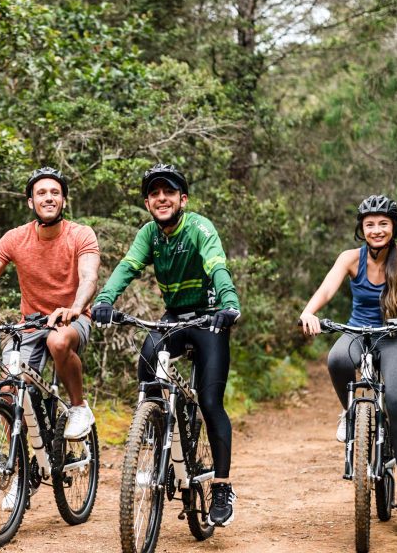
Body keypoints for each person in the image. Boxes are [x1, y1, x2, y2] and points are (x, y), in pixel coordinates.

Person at [91, 163, 241, 527]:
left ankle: (221, 486)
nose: (162, 199)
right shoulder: (149, 234)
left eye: (169, 193)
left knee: (208, 401)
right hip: (174, 317)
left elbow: (216, 264)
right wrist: (105, 300)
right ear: (147, 203)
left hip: (208, 319)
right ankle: (158, 437)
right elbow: (127, 267)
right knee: (147, 369)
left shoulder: (199, 228)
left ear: (182, 199)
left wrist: (229, 302)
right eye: (155, 194)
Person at [299, 194, 397, 511]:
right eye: (370, 224)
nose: (377, 230)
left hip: (394, 334)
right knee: (335, 359)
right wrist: (309, 312)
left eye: (383, 224)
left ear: (393, 228)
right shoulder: (350, 258)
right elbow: (327, 289)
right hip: (357, 332)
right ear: (362, 229)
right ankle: (349, 414)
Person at [0, 166, 100, 441]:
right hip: (31, 325)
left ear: (63, 200)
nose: (48, 197)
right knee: (9, 390)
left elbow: (89, 277)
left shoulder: (80, 234)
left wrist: (75, 307)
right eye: (41, 192)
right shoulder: (15, 238)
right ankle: (17, 469)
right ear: (31, 202)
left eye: (55, 192)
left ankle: (79, 407)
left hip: (72, 319)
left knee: (57, 341)